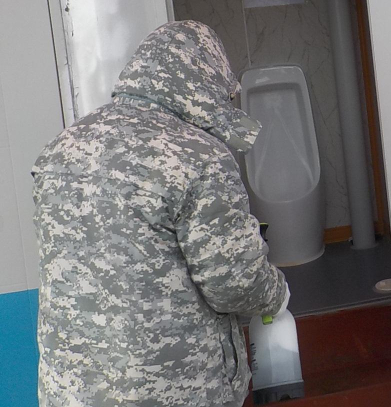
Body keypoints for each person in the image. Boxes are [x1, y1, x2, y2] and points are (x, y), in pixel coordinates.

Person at [32, 20, 288, 407]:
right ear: (205, 80)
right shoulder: (199, 156)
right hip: (170, 388)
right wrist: (276, 295)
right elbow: (234, 281)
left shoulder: (61, 148)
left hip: (70, 389)